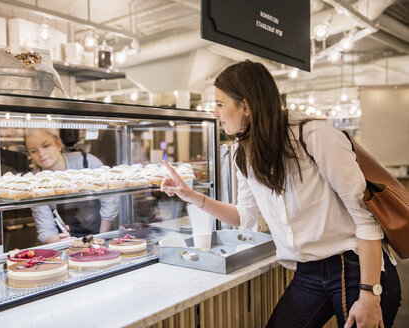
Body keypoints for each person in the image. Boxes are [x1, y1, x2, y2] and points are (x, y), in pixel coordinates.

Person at [161, 60, 401, 328]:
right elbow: (244, 217)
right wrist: (191, 195)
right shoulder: (245, 153)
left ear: (247, 106)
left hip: (355, 264)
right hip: (308, 271)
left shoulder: (314, 134)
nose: (214, 112)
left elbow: (365, 217)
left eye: (219, 103)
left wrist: (369, 293)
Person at [25, 129, 118, 244]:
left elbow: (110, 201)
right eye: (33, 151)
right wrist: (61, 242)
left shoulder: (87, 162)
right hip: (66, 242)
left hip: (100, 233)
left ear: (58, 144)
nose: (41, 153)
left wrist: (100, 239)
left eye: (46, 146)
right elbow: (46, 228)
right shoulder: (36, 181)